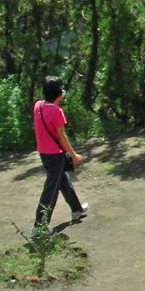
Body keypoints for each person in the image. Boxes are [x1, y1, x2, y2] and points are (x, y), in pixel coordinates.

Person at [33, 76, 87, 232]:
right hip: (56, 155)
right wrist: (74, 155)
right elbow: (62, 137)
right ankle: (40, 226)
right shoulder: (57, 112)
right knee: (51, 190)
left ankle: (77, 210)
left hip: (44, 153)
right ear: (60, 94)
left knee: (63, 180)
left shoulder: (38, 105)